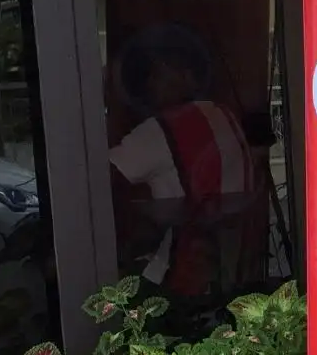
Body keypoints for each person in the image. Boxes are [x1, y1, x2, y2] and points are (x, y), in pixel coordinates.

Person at [108, 26, 255, 299]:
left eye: (159, 72)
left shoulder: (160, 130)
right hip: (230, 275)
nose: (151, 83)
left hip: (178, 280)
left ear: (186, 75)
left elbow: (99, 180)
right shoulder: (224, 115)